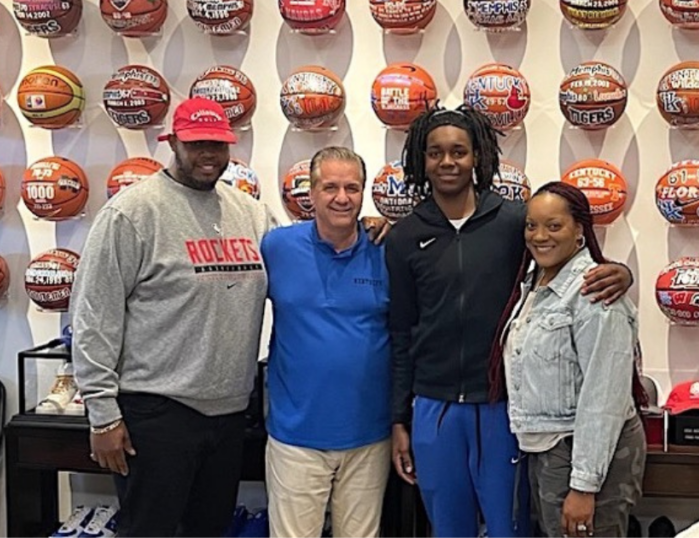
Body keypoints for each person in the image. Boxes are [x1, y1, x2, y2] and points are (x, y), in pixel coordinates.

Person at [385, 104, 633, 538]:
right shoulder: (404, 235)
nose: (448, 162)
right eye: (436, 152)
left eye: (459, 151)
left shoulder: (515, 222)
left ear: (478, 156)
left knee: (509, 528)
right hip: (434, 407)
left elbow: (566, 258)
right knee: (448, 528)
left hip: (503, 410)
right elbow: (402, 333)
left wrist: (622, 273)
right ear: (420, 160)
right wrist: (398, 418)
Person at [71, 97, 274, 537]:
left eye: (218, 146)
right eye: (197, 144)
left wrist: (365, 232)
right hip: (157, 412)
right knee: (150, 531)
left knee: (210, 530)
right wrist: (102, 415)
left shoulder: (251, 213)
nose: (208, 155)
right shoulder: (132, 212)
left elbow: (301, 265)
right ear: (173, 142)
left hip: (228, 411)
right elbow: (93, 315)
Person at [495, 182, 646, 538]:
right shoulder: (534, 283)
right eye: (532, 225)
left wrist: (584, 486)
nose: (539, 235)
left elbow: (604, 397)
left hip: (584, 453)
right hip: (550, 448)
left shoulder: (595, 293)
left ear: (579, 230)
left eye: (554, 225)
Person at [261, 146, 391, 538]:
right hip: (295, 438)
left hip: (369, 436)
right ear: (311, 193)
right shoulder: (276, 247)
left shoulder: (386, 249)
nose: (342, 197)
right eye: (330, 186)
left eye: (352, 187)